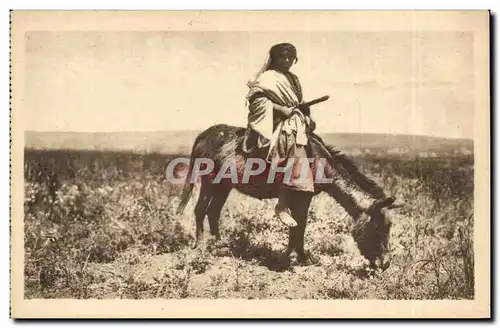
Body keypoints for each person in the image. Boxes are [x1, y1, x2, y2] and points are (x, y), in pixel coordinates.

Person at [242, 42, 316, 228]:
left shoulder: (293, 79)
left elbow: (297, 101)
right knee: (291, 148)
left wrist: (305, 110)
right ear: (274, 58)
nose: (287, 61)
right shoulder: (268, 77)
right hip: (273, 124)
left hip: (295, 122)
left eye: (291, 58)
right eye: (283, 57)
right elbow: (256, 100)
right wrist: (281, 109)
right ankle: (282, 205)